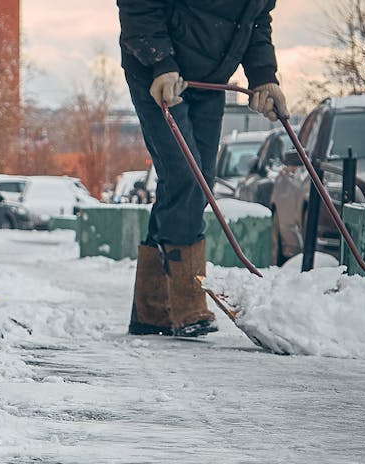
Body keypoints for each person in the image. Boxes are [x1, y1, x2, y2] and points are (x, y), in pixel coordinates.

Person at [117, 0, 288, 337]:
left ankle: (152, 309)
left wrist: (264, 76)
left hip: (210, 79)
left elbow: (255, 21)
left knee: (196, 179)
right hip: (158, 72)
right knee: (186, 174)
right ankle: (186, 299)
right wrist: (160, 62)